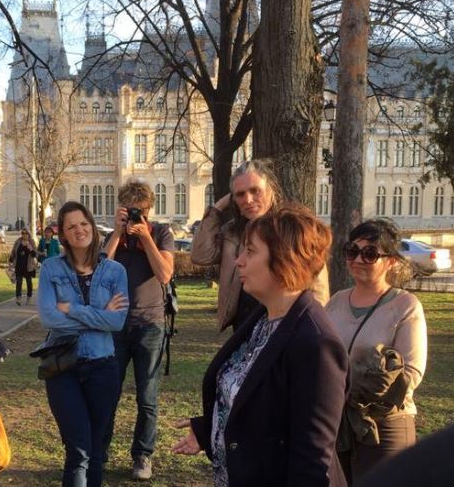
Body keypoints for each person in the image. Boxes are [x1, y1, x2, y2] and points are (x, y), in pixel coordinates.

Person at [173, 203, 348, 487]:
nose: (239, 261)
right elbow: (263, 409)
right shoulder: (262, 317)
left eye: (250, 251)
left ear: (284, 260)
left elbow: (312, 460)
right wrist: (211, 430)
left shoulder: (316, 343)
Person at [326, 219, 427, 485]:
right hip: (340, 423)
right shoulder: (336, 301)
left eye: (369, 253)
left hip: (386, 425)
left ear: (391, 261)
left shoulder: (405, 305)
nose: (358, 259)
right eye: (352, 251)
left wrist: (358, 387)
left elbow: (411, 373)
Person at [37, 201, 129, 487]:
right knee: (78, 450)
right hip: (64, 367)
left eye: (84, 223)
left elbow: (117, 323)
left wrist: (73, 310)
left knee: (97, 451)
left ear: (92, 226)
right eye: (71, 226)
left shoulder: (115, 271)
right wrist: (100, 316)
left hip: (103, 367)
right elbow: (50, 318)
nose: (80, 230)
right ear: (62, 234)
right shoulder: (51, 268)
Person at [191, 159, 330, 332]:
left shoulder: (292, 231)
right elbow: (199, 254)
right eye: (240, 194)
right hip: (244, 327)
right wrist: (218, 208)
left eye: (255, 191)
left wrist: (311, 329)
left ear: (270, 190)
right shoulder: (232, 233)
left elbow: (318, 289)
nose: (248, 200)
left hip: (285, 327)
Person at [102, 180, 175, 480]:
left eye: (141, 211)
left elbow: (165, 273)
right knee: (108, 393)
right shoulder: (113, 237)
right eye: (131, 210)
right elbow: (99, 271)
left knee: (147, 397)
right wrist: (117, 233)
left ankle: (142, 456)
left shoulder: (161, 233)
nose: (135, 217)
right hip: (116, 326)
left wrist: (146, 238)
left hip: (150, 325)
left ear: (149, 210)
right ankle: (100, 451)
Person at [9, 228, 37, 305]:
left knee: (29, 283)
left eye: (26, 233)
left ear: (29, 234)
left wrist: (30, 248)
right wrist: (10, 261)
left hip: (28, 266)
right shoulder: (18, 241)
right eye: (22, 233)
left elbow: (34, 254)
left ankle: (29, 298)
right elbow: (13, 251)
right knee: (19, 282)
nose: (24, 235)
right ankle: (18, 298)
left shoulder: (31, 242)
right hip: (19, 265)